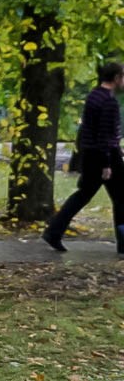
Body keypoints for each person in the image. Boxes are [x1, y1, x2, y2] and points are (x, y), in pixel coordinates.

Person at [42, 61, 124, 253]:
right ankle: (123, 243)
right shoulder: (108, 102)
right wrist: (107, 164)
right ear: (116, 78)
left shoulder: (94, 96)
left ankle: (53, 232)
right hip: (106, 157)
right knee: (121, 198)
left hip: (91, 155)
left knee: (83, 195)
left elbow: (89, 132)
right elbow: (105, 135)